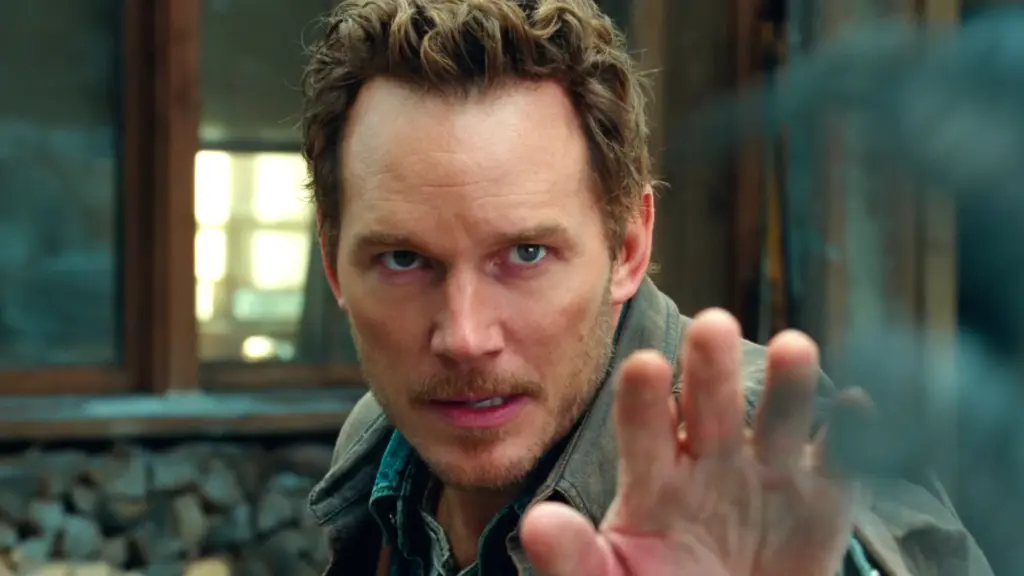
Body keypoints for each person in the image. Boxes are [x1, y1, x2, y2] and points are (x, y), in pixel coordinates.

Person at [300, 1, 992, 574]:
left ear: (628, 247)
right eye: (403, 260)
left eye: (526, 254)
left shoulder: (761, 455)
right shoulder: (385, 437)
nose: (464, 337)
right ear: (333, 264)